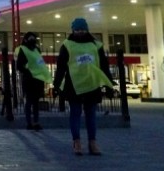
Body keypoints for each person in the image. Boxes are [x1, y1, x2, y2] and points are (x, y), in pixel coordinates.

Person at [53, 18, 113, 156]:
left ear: (87, 30)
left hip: (92, 83)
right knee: (75, 113)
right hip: (74, 84)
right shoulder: (67, 45)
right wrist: (57, 84)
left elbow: (104, 65)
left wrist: (109, 84)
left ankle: (92, 142)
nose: (80, 32)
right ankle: (77, 142)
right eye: (78, 30)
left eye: (83, 29)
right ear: (73, 30)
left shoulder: (96, 45)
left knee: (91, 114)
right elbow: (61, 66)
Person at [15, 32, 52, 131]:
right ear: (26, 39)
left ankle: (36, 122)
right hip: (29, 80)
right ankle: (29, 123)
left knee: (36, 102)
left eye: (34, 38)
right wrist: (29, 73)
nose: (33, 40)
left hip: (38, 80)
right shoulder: (23, 49)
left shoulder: (37, 50)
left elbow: (40, 64)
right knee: (29, 101)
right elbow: (19, 66)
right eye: (30, 38)